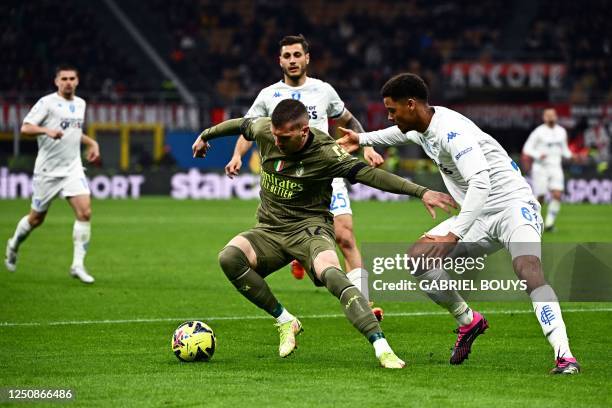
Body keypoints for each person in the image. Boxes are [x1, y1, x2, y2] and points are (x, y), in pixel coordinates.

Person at [338, 73, 580, 374]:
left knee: (528, 269)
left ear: (411, 105)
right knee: (419, 260)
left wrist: (455, 232)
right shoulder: (423, 127)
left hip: (512, 206)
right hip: (477, 215)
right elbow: (399, 135)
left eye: (392, 110)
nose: (390, 116)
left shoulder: (452, 132)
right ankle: (469, 321)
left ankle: (564, 355)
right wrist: (361, 139)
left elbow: (481, 183)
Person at [192, 99, 456, 368]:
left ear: (304, 131)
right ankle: (285, 320)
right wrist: (205, 135)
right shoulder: (266, 131)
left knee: (331, 273)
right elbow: (240, 124)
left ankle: (382, 347)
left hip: (310, 230)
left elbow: (371, 176)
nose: (277, 142)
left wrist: (420, 191)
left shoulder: (326, 153)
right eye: (275, 135)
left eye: (284, 138)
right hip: (269, 230)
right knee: (229, 258)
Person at [225, 35, 383, 300]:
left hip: (325, 174)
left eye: (297, 55)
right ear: (280, 61)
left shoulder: (323, 90)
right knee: (287, 233)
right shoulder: (268, 95)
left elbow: (348, 119)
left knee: (345, 236)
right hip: (288, 180)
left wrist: (367, 145)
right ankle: (299, 252)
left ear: (307, 58)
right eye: (287, 56)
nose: (292, 60)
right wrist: (237, 156)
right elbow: (247, 128)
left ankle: (365, 303)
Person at [5, 65, 100, 284]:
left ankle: (78, 265)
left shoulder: (80, 104)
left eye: (72, 78)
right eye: (64, 78)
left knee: (85, 213)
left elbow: (74, 133)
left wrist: (91, 142)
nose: (68, 82)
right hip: (48, 171)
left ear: (77, 81)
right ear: (56, 81)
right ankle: (14, 244)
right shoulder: (46, 103)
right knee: (36, 219)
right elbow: (25, 128)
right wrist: (46, 130)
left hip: (72, 168)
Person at [522, 108, 573, 231]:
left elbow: (564, 150)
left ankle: (549, 224)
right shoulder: (538, 132)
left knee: (557, 194)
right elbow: (527, 148)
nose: (550, 118)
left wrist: (572, 156)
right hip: (541, 168)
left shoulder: (561, 131)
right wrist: (538, 155)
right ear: (544, 118)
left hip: (556, 166)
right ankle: (535, 222)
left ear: (556, 117)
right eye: (548, 116)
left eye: (552, 115)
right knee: (540, 197)